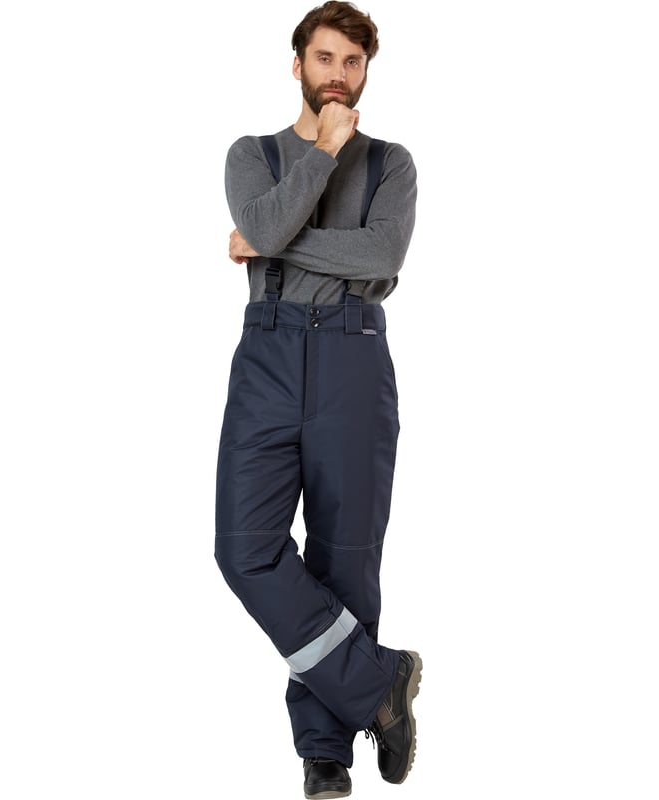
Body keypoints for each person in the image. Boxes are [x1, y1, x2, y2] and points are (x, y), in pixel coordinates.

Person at [213, 2, 421, 798]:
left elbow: (382, 253)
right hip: (266, 357)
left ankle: (325, 752)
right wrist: (324, 151)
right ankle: (378, 683)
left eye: (352, 62)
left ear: (366, 71)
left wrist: (269, 242)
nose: (338, 75)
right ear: (297, 63)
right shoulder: (253, 155)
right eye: (325, 58)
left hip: (352, 357)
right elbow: (267, 222)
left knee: (345, 557)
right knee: (244, 549)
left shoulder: (393, 164)